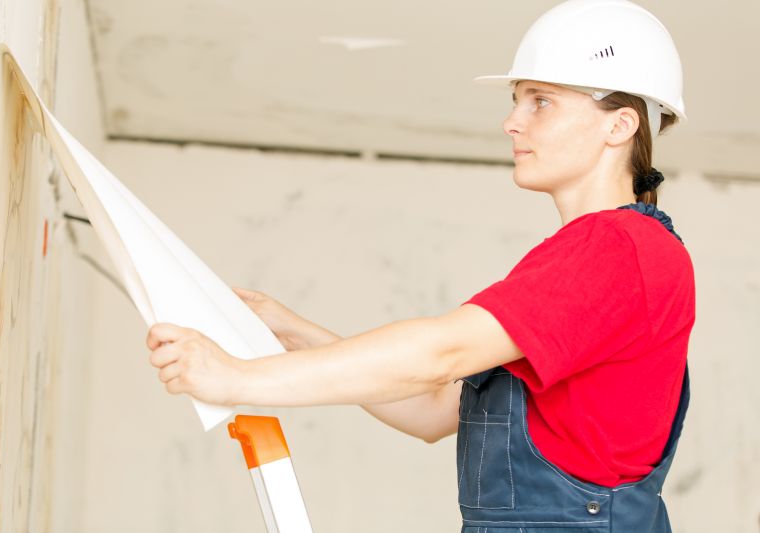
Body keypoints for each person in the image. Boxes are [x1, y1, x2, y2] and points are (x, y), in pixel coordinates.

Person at [146, 0, 696, 530]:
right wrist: (293, 330)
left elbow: (440, 353)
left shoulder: (619, 247)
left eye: (540, 101)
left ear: (619, 125)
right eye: (516, 99)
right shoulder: (590, 257)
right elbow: (434, 409)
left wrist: (235, 378)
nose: (511, 122)